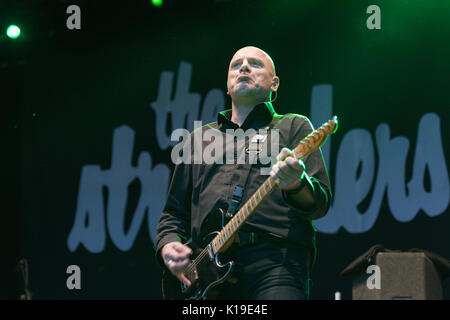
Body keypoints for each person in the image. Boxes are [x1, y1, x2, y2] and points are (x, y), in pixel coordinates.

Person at [155, 46, 332, 300]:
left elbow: (319, 205)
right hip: (205, 275)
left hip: (276, 263)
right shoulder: (198, 140)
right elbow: (173, 214)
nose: (244, 67)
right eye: (236, 64)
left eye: (255, 64)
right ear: (227, 86)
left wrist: (296, 184)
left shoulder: (293, 126)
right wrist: (168, 246)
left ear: (274, 83)